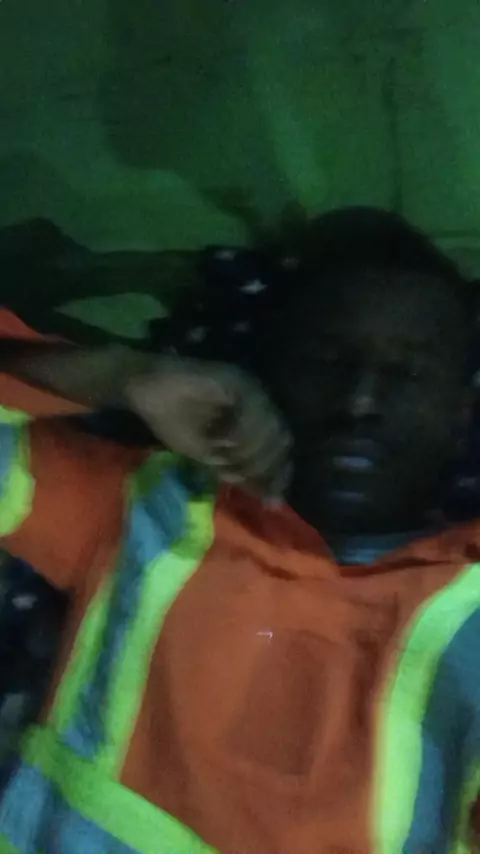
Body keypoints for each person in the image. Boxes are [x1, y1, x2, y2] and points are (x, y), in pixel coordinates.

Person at [0, 207, 480, 853]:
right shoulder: (150, 507)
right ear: (268, 376)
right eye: (326, 361)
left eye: (409, 374)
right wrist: (122, 376)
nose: (360, 401)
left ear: (460, 414)